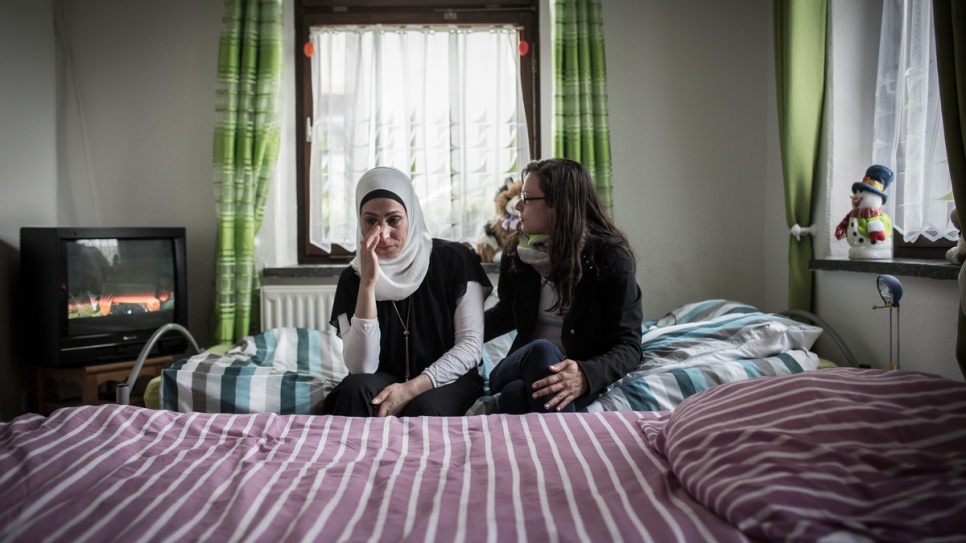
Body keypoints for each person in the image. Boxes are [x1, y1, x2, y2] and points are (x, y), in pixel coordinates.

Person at [322, 167, 491, 417]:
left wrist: (410, 389)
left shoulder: (456, 260)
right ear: (359, 220)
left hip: (446, 379)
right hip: (383, 377)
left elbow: (469, 347)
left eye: (394, 220)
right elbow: (362, 367)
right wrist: (367, 283)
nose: (383, 233)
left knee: (427, 410)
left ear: (411, 215)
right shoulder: (352, 277)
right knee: (352, 391)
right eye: (371, 220)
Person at [484, 158, 643, 413]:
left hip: (574, 373)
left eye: (526, 197)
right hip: (521, 363)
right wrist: (453, 334)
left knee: (514, 397)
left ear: (558, 205)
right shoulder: (517, 252)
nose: (518, 205)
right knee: (540, 351)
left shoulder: (610, 257)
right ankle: (565, 448)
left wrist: (585, 374)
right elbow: (505, 314)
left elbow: (629, 345)